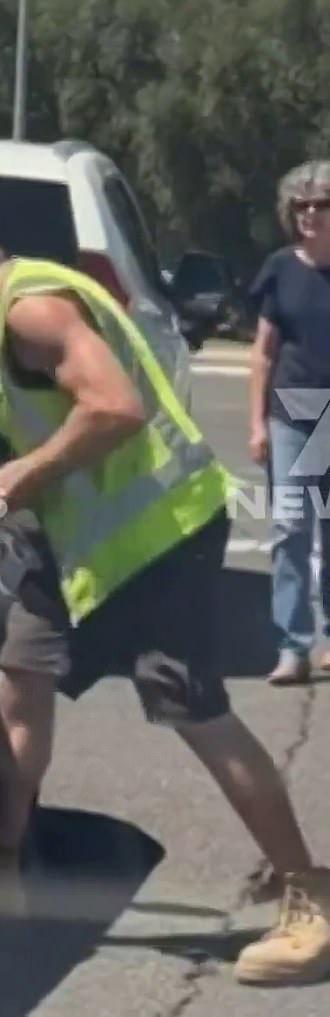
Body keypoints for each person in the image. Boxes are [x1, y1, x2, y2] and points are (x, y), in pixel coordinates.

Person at [0, 193, 330, 985]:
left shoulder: (33, 309)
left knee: (195, 710)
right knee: (19, 682)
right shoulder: (22, 305)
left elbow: (113, 408)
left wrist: (24, 472)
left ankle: (310, 895)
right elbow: (36, 413)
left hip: (159, 541)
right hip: (80, 552)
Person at [249, 160, 330, 685]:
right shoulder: (281, 268)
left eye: (320, 204)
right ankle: (293, 646)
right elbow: (263, 352)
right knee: (291, 528)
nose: (308, 214)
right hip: (294, 414)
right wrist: (257, 423)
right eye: (300, 205)